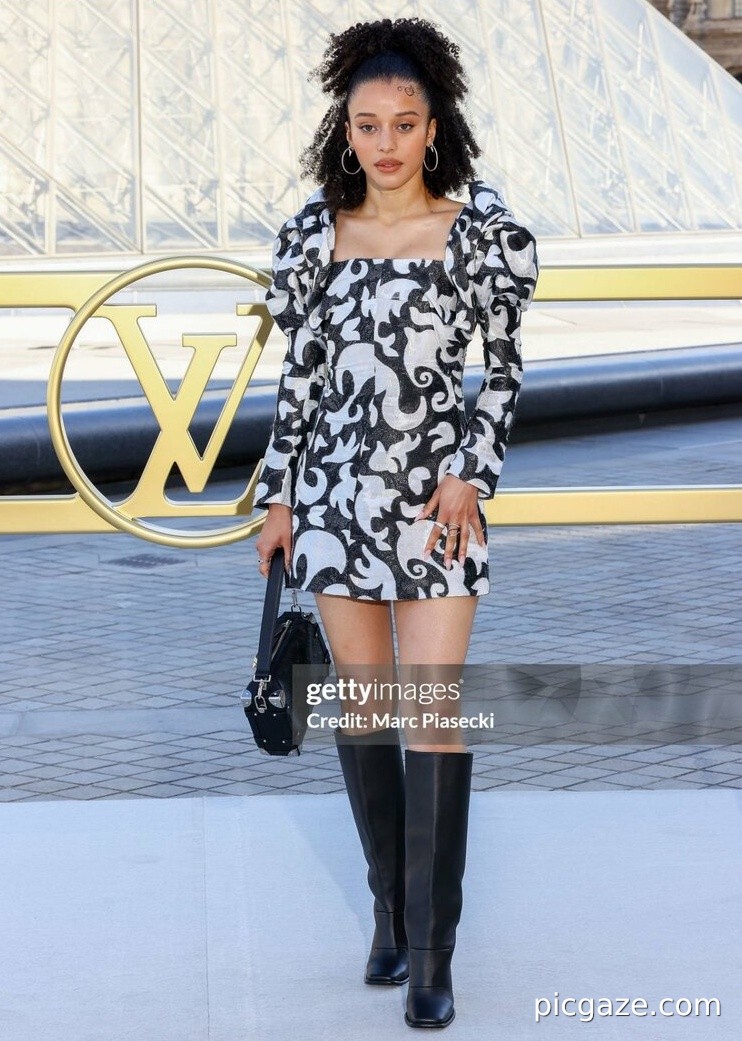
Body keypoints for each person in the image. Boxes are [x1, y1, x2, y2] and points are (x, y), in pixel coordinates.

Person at [253, 16, 539, 1030]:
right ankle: (387, 909)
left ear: (433, 128)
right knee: (365, 711)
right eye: (367, 124)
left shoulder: (478, 234)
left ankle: (431, 954)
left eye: (404, 124)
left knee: (434, 713)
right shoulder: (314, 236)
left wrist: (472, 474)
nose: (385, 142)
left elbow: (503, 370)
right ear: (345, 129)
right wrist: (279, 498)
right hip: (335, 504)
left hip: (435, 511)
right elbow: (300, 382)